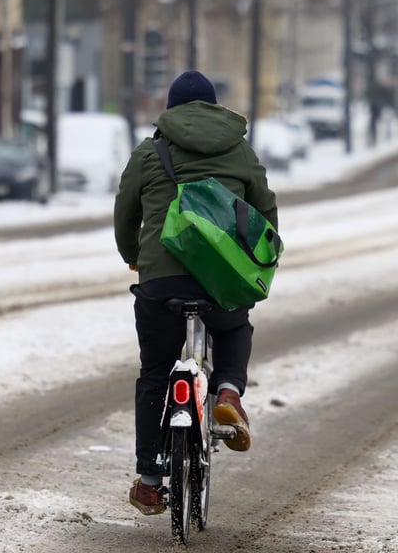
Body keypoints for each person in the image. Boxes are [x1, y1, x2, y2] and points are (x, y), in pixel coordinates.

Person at [114, 70, 278, 516]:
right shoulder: (239, 150)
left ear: (170, 109)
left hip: (161, 279)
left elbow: (125, 213)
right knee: (234, 325)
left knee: (154, 374)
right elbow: (264, 210)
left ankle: (150, 482)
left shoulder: (149, 152)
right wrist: (255, 259)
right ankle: (227, 392)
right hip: (220, 277)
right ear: (213, 106)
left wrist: (135, 256)